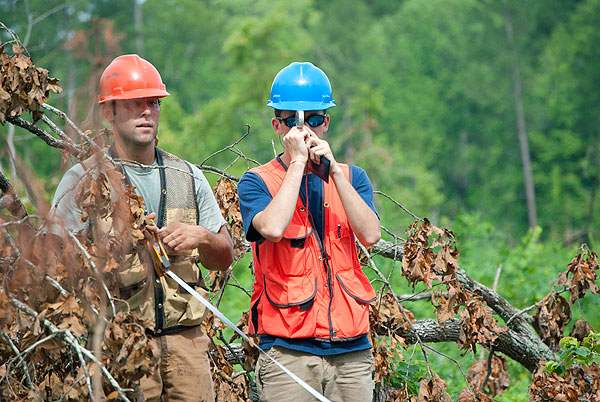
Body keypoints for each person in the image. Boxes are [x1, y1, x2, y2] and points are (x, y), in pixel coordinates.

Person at [49, 54, 233, 402]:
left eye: (153, 102)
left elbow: (222, 258)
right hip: (120, 339)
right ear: (109, 112)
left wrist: (203, 237)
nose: (146, 111)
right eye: (134, 104)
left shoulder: (189, 177)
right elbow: (54, 264)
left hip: (186, 343)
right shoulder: (84, 180)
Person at [237, 62, 381, 402]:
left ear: (326, 122)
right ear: (277, 126)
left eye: (314, 119)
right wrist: (299, 163)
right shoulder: (257, 181)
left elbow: (371, 234)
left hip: (351, 348)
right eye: (293, 120)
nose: (305, 129)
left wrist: (336, 175)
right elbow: (271, 228)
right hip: (289, 350)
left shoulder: (352, 177)